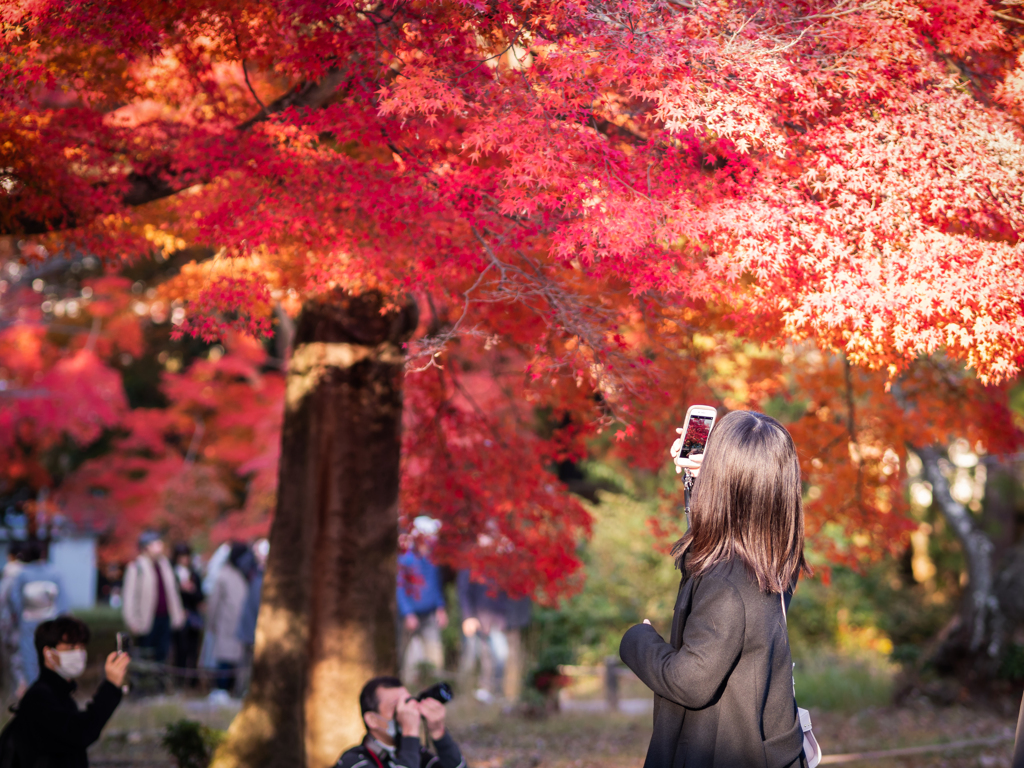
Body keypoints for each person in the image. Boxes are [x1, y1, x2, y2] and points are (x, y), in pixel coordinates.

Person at [619, 410, 811, 768]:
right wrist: (696, 479)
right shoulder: (777, 560)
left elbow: (690, 682)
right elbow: (715, 541)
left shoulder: (727, 585)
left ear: (725, 481)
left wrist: (637, 641)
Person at [5, 615, 130, 768]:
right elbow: (80, 733)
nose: (79, 653)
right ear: (48, 653)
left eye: (82, 647)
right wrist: (110, 687)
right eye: (71, 647)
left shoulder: (60, 695)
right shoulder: (39, 698)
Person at [335, 676, 466, 768]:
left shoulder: (416, 754)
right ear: (372, 720)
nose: (405, 712)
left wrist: (438, 733)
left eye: (407, 702)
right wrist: (409, 734)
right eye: (396, 707)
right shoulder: (353, 761)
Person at [456, 571, 531, 703]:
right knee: (481, 656)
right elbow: (464, 591)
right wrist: (468, 616)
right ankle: (479, 691)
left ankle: (494, 691)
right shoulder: (472, 563)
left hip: (498, 619)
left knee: (499, 655)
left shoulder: (500, 564)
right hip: (480, 618)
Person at [7, 541, 68, 686]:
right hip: (50, 620)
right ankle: (49, 686)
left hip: (29, 620)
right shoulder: (54, 573)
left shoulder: (22, 575)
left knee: (30, 657)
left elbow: (15, 599)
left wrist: (19, 616)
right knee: (50, 654)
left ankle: (33, 687)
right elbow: (62, 601)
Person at [122, 531, 185, 663]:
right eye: (156, 543)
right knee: (145, 655)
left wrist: (178, 614)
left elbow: (173, 593)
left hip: (165, 618)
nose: (160, 546)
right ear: (146, 547)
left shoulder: (165, 565)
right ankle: (144, 683)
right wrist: (132, 620)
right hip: (146, 620)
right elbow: (129, 598)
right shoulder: (136, 567)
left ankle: (159, 682)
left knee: (162, 654)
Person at [397, 520, 448, 684]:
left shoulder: (432, 559)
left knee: (435, 654)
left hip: (429, 613)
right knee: (404, 655)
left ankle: (431, 687)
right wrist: (407, 613)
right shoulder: (405, 559)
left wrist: (440, 607)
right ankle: (404, 687)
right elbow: (400, 589)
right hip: (410, 615)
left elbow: (435, 585)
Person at [205, 542, 252, 700]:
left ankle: (234, 690)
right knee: (224, 658)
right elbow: (214, 603)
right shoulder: (223, 575)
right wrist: (211, 623)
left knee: (238, 660)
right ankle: (220, 689)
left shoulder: (244, 574)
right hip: (225, 624)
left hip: (241, 625)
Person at [171, 544, 203, 685]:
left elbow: (200, 597)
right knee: (180, 650)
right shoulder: (172, 573)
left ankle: (192, 681)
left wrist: (192, 590)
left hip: (193, 617)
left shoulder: (194, 574)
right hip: (178, 616)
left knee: (193, 650)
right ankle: (179, 680)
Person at [0, 542, 26, 698]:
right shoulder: (29, 573)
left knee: (14, 660)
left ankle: (17, 691)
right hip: (29, 624)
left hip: (10, 624)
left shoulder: (9, 575)